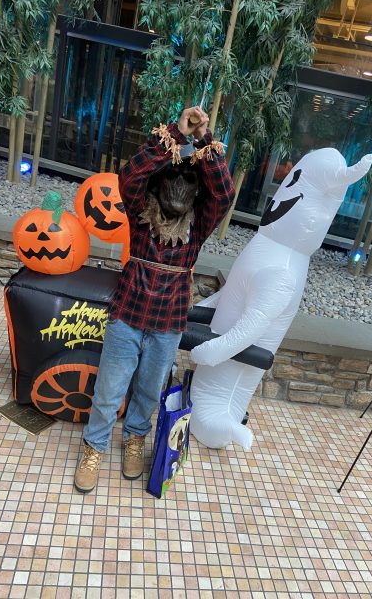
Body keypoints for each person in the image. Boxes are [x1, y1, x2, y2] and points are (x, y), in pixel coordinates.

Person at [74, 106, 235, 493]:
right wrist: (177, 135)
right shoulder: (139, 215)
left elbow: (224, 194)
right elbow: (130, 176)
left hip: (168, 324)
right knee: (109, 390)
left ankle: (135, 439)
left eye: (187, 180)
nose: (178, 186)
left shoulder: (198, 227)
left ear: (196, 193)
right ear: (159, 185)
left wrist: (205, 138)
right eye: (171, 178)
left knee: (148, 391)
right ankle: (94, 446)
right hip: (127, 316)